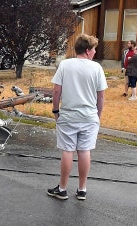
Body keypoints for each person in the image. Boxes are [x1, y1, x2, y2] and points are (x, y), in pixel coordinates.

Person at [47, 34, 108, 201]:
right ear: (87, 51)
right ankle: (82, 189)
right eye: (94, 49)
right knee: (84, 151)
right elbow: (100, 96)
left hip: (68, 115)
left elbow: (56, 91)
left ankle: (63, 188)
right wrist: (98, 115)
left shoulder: (65, 65)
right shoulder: (96, 68)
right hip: (89, 117)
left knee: (68, 151)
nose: (95, 52)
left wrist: (55, 110)